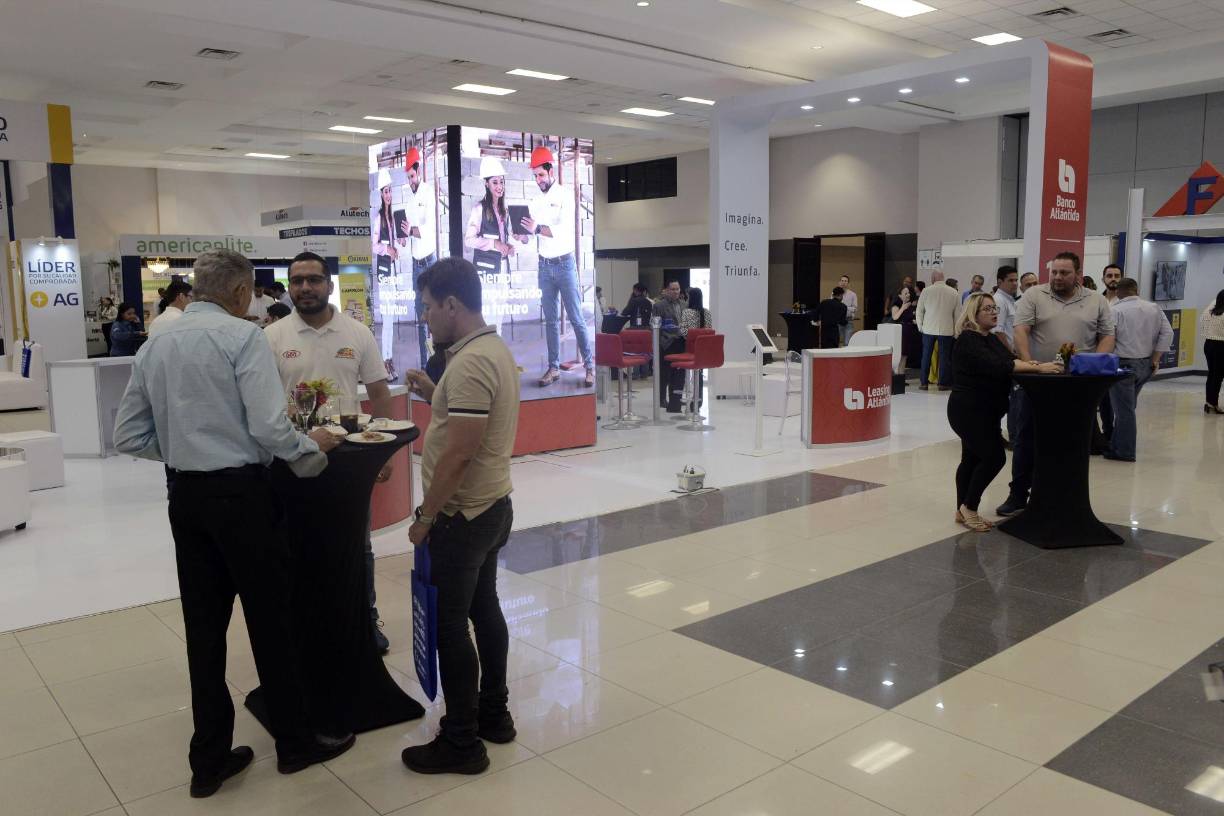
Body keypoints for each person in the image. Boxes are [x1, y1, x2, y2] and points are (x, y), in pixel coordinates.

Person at [112, 249, 352, 798]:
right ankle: (294, 743)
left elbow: (127, 434)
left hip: (186, 498)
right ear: (242, 293)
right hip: (243, 497)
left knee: (203, 629)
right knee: (271, 619)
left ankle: (209, 760)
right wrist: (309, 448)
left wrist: (181, 449)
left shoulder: (156, 344)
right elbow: (270, 428)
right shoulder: (243, 338)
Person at [401, 257, 519, 775]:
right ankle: (495, 715)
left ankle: (462, 742)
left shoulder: (468, 362)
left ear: (452, 304)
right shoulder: (489, 349)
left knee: (451, 627)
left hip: (462, 515)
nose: (425, 318)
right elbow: (468, 421)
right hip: (493, 505)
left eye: (428, 309)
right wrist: (436, 396)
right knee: (484, 610)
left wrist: (426, 515)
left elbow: (459, 453)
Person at [264, 251, 397, 652]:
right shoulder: (271, 337)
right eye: (297, 280)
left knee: (358, 544)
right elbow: (262, 403)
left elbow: (378, 393)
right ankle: (303, 623)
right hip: (293, 456)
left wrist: (384, 452)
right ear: (289, 287)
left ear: (329, 284)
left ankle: (364, 618)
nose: (305, 287)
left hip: (348, 457)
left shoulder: (358, 333)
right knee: (296, 543)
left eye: (313, 280)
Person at [997, 251, 1115, 516]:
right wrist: (1031, 367)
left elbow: (1107, 335)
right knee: (1027, 438)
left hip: (1079, 383)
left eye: (1064, 273)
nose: (1058, 277)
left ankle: (1065, 495)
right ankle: (1018, 495)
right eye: (1054, 272)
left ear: (1078, 274)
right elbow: (1020, 331)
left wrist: (1094, 365)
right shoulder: (1034, 295)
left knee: (1073, 439)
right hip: (1039, 381)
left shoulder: (1096, 300)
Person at [949, 293, 1062, 531]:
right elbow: (1000, 366)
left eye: (994, 308)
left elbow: (1010, 359)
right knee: (994, 457)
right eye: (988, 309)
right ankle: (969, 507)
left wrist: (1029, 364)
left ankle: (962, 509)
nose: (994, 312)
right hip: (969, 410)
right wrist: (1040, 368)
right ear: (973, 313)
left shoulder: (988, 338)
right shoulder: (969, 339)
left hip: (986, 411)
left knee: (971, 458)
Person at [518, 147, 595, 389]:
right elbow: (532, 234)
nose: (538, 180)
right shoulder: (534, 201)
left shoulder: (564, 195)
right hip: (544, 265)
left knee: (576, 318)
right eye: (535, 176)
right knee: (550, 321)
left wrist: (536, 229)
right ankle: (553, 367)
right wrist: (521, 236)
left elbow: (559, 231)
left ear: (550, 171)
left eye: (540, 175)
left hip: (564, 265)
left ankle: (591, 367)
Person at [1106, 277, 1173, 462]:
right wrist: (1155, 359)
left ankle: (1124, 451)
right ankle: (1116, 445)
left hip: (1123, 365)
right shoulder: (1154, 308)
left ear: (1118, 292)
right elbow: (1168, 333)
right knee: (1128, 406)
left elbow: (1109, 338)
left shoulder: (1115, 310)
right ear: (1136, 290)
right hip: (1146, 365)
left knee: (1124, 410)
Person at [465, 156, 521, 342]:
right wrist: (495, 245)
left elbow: (507, 236)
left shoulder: (504, 210)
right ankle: (488, 355)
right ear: (486, 184)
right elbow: (469, 240)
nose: (499, 186)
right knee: (488, 314)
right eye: (495, 182)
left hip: (503, 267)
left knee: (500, 313)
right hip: (486, 270)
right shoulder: (479, 209)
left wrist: (510, 245)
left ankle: (497, 354)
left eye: (501, 182)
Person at [402, 147, 439, 366]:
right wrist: (403, 237)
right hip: (416, 265)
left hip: (429, 264)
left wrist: (410, 231)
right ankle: (425, 364)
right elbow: (410, 235)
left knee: (433, 317)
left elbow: (426, 227)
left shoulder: (428, 193)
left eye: (412, 177)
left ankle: (436, 362)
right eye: (407, 178)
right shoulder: (408, 202)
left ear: (419, 171)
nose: (410, 182)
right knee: (420, 320)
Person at [373, 166, 406, 378]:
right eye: (385, 191)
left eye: (390, 191)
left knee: (391, 322)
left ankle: (389, 360)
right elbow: (374, 245)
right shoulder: (379, 219)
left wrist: (400, 242)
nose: (388, 195)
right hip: (385, 274)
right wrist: (388, 249)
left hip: (394, 275)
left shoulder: (393, 218)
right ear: (380, 194)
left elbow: (397, 244)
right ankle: (385, 362)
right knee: (386, 322)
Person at [992, 266, 1021, 445]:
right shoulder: (999, 301)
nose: (1015, 283)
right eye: (1011, 280)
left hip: (1010, 355)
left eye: (1015, 280)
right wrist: (1011, 353)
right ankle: (1014, 435)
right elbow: (998, 331)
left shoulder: (1010, 300)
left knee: (1013, 399)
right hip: (1006, 357)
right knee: (1011, 399)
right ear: (999, 282)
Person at [915, 278, 960, 390]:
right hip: (946, 330)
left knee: (926, 356)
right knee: (944, 358)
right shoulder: (954, 292)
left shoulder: (926, 291)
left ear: (932, 279)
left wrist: (920, 326)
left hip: (928, 329)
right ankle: (943, 384)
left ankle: (924, 383)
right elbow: (957, 314)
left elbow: (919, 310)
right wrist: (956, 331)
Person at [653, 280, 687, 412]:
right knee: (664, 373)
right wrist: (660, 342)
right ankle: (662, 398)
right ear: (667, 290)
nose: (675, 291)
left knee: (679, 373)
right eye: (673, 289)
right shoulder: (659, 306)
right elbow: (656, 326)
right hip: (666, 342)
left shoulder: (684, 304)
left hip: (681, 341)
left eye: (677, 289)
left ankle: (676, 399)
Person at [1203, 289, 1224, 414]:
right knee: (1217, 377)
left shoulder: (1210, 309)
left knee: (1212, 375)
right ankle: (1213, 404)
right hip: (1221, 346)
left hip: (1209, 344)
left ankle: (1210, 403)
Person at [890, 284, 920, 368]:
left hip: (909, 331)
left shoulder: (909, 305)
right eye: (905, 293)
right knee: (900, 354)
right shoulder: (897, 305)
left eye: (908, 293)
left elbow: (909, 318)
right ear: (900, 295)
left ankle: (902, 376)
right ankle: (897, 376)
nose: (908, 295)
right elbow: (895, 317)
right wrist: (903, 307)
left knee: (905, 355)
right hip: (900, 332)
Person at [837, 275, 857, 347]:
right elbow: (833, 306)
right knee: (836, 341)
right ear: (839, 282)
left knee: (847, 342)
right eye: (842, 281)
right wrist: (848, 308)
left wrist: (844, 307)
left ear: (848, 283)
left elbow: (854, 308)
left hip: (848, 320)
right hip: (837, 320)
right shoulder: (835, 293)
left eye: (845, 281)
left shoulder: (853, 294)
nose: (843, 282)